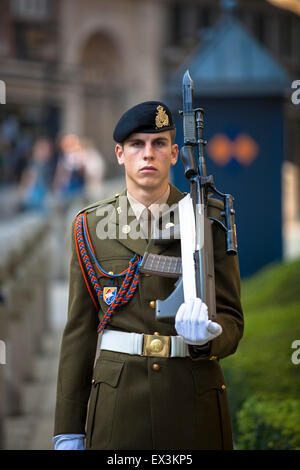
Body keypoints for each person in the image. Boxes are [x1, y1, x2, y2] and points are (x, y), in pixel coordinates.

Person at [53, 101, 244, 450]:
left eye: (158, 145)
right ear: (119, 154)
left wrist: (208, 337)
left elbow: (233, 320)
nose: (147, 154)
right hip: (119, 404)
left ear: (174, 154)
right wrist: (68, 428)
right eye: (137, 145)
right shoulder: (91, 226)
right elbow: (79, 333)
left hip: (192, 400)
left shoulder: (207, 218)